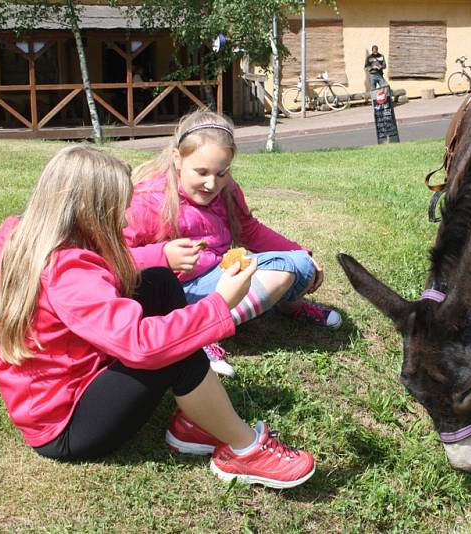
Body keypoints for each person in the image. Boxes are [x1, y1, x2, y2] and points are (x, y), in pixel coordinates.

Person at [0, 145, 315, 488]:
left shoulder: (23, 237)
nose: (125, 219)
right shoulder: (69, 272)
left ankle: (198, 419)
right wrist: (220, 302)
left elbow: (102, 272)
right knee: (173, 351)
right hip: (66, 426)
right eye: (118, 212)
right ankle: (245, 451)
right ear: (89, 212)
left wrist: (160, 256)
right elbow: (144, 345)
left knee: (158, 282)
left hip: (59, 390)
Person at [124, 109, 342, 377]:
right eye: (201, 172)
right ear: (177, 158)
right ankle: (195, 335)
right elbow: (113, 257)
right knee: (283, 272)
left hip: (217, 277)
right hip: (174, 296)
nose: (211, 183)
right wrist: (162, 254)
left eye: (221, 173)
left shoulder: (227, 189)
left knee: (301, 265)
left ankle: (288, 308)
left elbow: (249, 230)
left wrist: (300, 251)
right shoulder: (148, 199)